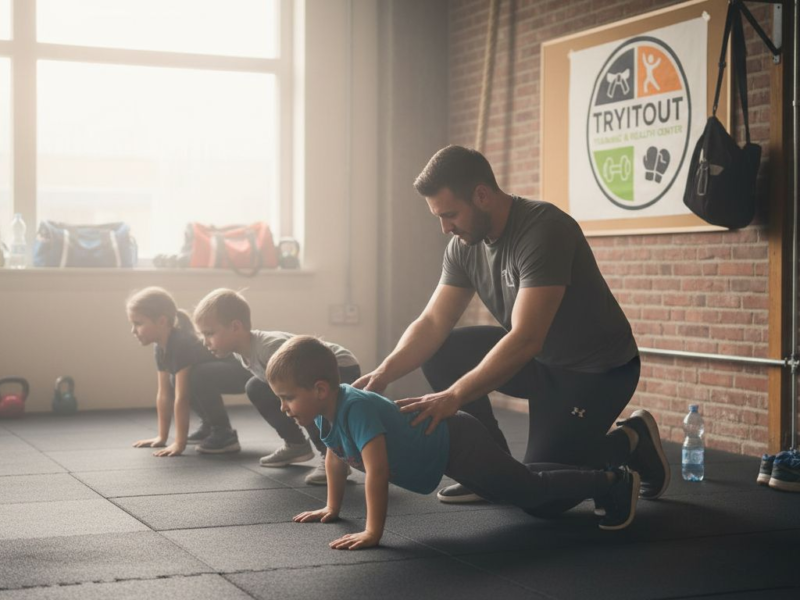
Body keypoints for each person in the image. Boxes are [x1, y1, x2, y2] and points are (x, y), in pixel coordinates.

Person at [353, 145, 669, 509]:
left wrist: (454, 396)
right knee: (443, 352)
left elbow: (526, 338)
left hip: (595, 372)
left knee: (542, 500)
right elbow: (433, 321)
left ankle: (632, 440)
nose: (445, 228)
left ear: (482, 195)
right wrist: (383, 373)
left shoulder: (544, 229)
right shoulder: (464, 244)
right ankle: (490, 470)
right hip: (542, 363)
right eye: (439, 217)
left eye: (450, 214)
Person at [269, 336, 641, 551]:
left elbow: (377, 471)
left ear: (320, 389)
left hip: (458, 442)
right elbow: (336, 458)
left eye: (287, 398)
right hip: (446, 454)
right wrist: (332, 508)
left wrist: (373, 532)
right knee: (519, 480)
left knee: (531, 491)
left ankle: (611, 481)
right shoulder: (323, 413)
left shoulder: (356, 408)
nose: (283, 408)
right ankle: (602, 473)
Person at [193, 288, 361, 485]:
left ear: (235, 327)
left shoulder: (269, 348)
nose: (205, 342)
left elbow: (304, 389)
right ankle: (296, 445)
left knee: (301, 400)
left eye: (209, 333)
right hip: (310, 372)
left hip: (340, 366)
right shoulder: (241, 351)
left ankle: (332, 458)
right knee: (256, 387)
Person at [126, 287, 250, 457]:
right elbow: (164, 394)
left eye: (138, 323)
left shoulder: (181, 343)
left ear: (162, 321)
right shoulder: (160, 347)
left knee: (194, 377)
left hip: (241, 373)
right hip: (214, 374)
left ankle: (224, 433)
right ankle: (209, 426)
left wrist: (179, 443)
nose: (133, 330)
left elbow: (181, 398)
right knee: (175, 381)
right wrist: (162, 437)